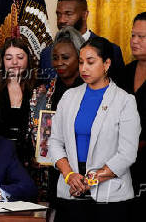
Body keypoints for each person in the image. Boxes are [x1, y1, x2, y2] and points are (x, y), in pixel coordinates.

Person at [49, 37, 141, 222]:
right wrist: (69, 175)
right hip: (71, 190)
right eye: (81, 62)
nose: (83, 68)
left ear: (107, 63)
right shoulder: (69, 96)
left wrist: (91, 180)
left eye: (91, 62)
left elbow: (127, 153)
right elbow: (55, 142)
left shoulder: (124, 101)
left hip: (110, 197)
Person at [28, 27, 84, 211]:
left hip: (81, 172)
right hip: (47, 174)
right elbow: (33, 131)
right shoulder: (42, 92)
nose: (59, 63)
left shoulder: (92, 92)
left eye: (65, 58)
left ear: (80, 57)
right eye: (55, 57)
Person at [39, 0, 124, 82]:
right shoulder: (47, 53)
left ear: (85, 15)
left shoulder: (111, 50)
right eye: (58, 14)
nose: (61, 20)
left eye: (68, 14)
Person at [118, 12, 146, 216]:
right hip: (123, 163)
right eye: (133, 35)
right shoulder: (124, 73)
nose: (134, 41)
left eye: (142, 37)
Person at [0, 37, 36, 165]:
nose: (14, 62)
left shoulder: (39, 89)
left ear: (28, 59)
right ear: (2, 61)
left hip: (28, 159)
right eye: (9, 58)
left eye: (20, 58)